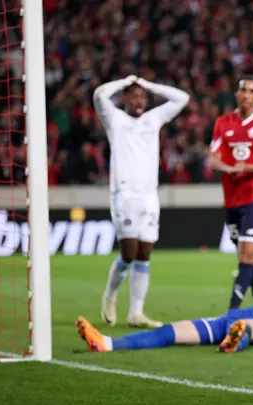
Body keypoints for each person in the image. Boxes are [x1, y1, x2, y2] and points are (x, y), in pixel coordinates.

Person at [93, 75, 190, 328]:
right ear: (124, 98)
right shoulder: (115, 120)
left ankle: (136, 313)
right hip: (124, 194)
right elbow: (99, 95)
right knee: (128, 252)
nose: (139, 100)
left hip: (149, 195)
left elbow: (183, 98)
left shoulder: (152, 118)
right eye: (133, 95)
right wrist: (124, 81)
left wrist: (148, 85)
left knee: (144, 254)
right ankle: (110, 295)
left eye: (142, 97)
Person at [209, 77, 253, 309]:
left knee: (246, 256)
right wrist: (228, 168)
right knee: (248, 258)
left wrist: (243, 167)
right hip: (231, 200)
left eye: (252, 91)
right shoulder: (223, 122)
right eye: (243, 90)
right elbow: (214, 159)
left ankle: (232, 310)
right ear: (237, 94)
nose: (246, 95)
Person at [76, 306, 253, 353]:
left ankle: (238, 338)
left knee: (252, 328)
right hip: (222, 322)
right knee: (169, 332)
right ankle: (108, 343)